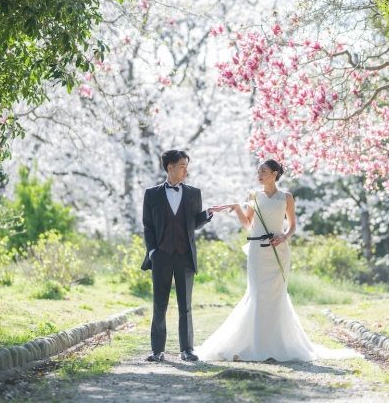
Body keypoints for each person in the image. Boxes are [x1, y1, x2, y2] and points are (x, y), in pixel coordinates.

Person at [195, 159, 359, 362]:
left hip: (279, 252)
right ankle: (253, 346)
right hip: (257, 251)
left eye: (263, 171)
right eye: (258, 172)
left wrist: (284, 237)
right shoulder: (253, 195)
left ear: (274, 173)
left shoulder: (286, 197)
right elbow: (248, 225)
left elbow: (292, 226)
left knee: (276, 296)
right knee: (256, 294)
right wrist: (238, 208)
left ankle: (276, 346)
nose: (259, 175)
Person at [141, 149, 225, 363]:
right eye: (182, 166)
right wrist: (153, 252)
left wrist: (207, 214)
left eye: (187, 166)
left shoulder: (193, 193)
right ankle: (157, 350)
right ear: (170, 168)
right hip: (161, 255)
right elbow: (148, 226)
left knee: (185, 305)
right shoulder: (152, 194)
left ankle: (187, 349)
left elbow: (193, 224)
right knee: (159, 304)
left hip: (185, 255)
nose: (186, 171)